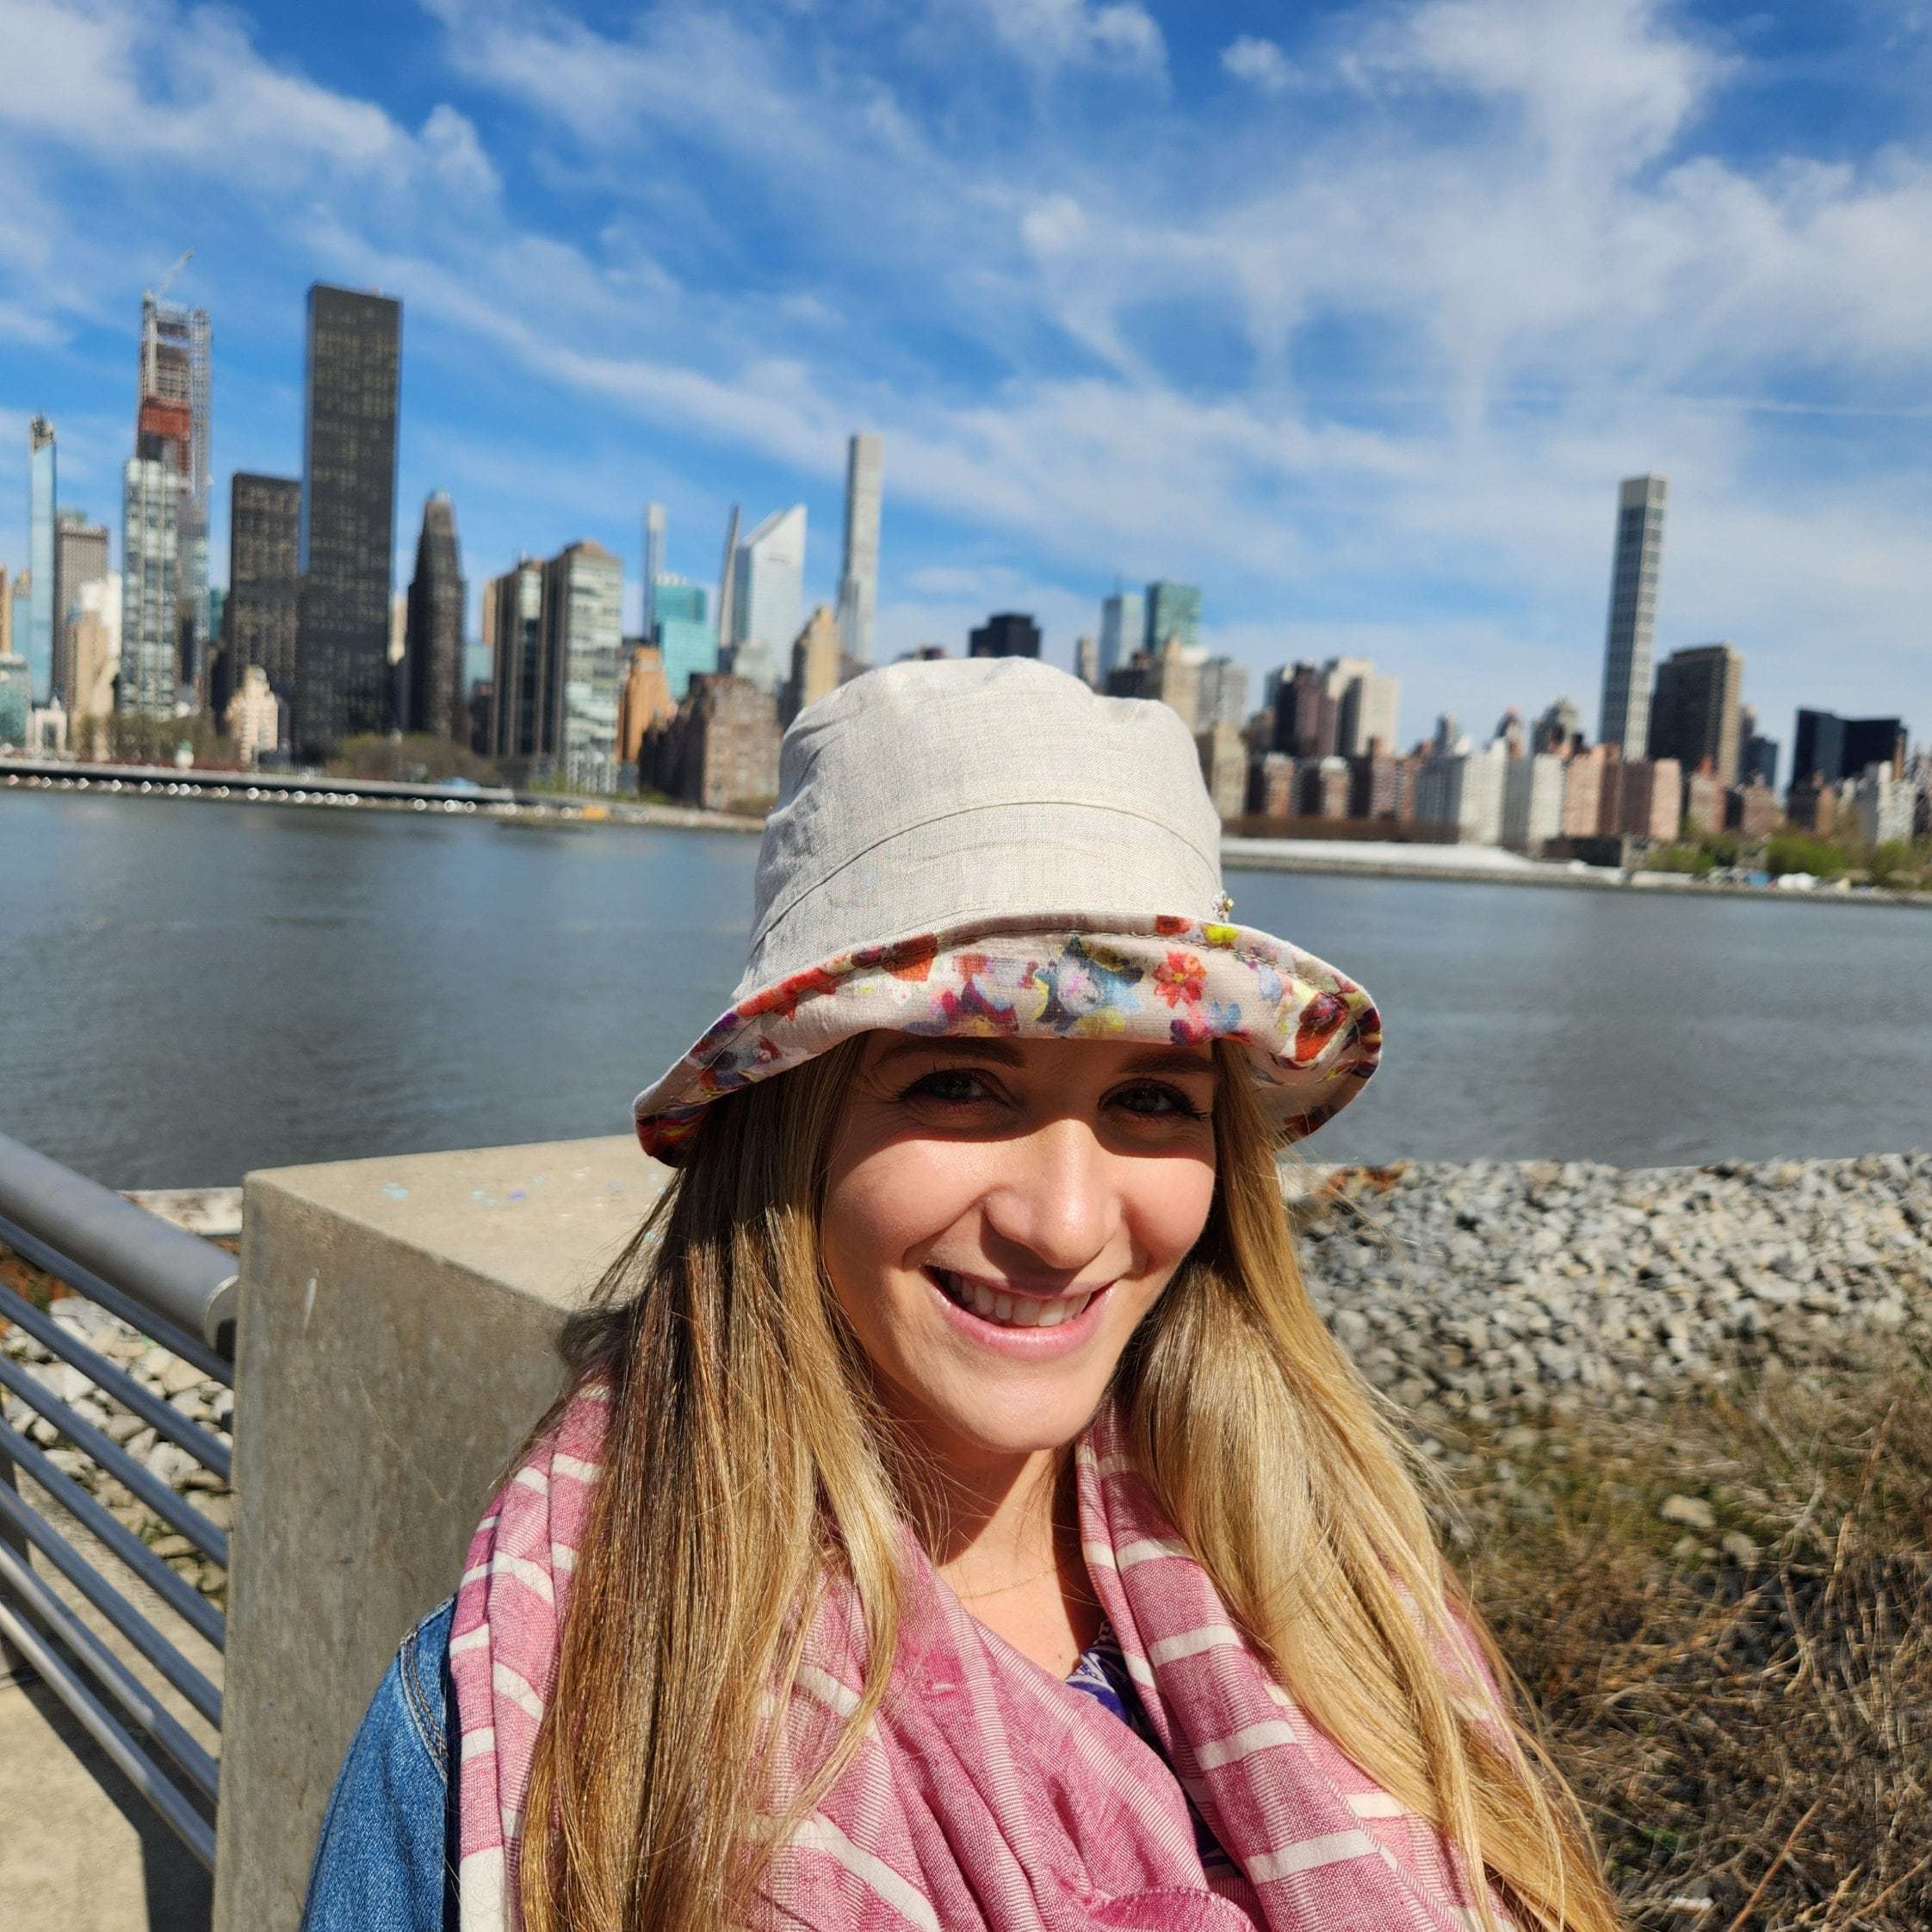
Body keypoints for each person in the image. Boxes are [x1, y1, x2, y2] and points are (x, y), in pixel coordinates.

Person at [302, 658, 1619, 1932]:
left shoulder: (1360, 1618)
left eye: (1152, 1099)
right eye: (958, 1083)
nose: (1065, 1224)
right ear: (788, 1131)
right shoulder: (518, 1726)